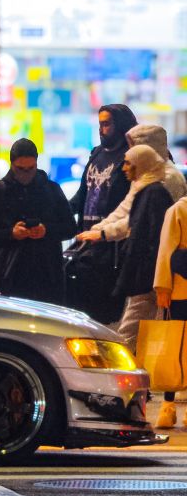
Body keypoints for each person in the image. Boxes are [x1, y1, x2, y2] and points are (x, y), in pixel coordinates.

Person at [0, 139, 77, 305]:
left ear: (36, 164)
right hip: (11, 277)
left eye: (30, 169)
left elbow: (70, 228)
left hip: (49, 276)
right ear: (12, 164)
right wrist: (10, 234)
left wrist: (45, 230)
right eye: (20, 169)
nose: (25, 174)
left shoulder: (51, 190)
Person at [75, 123, 186, 245]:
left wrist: (104, 233)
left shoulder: (168, 177)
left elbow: (138, 218)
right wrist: (98, 229)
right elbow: (125, 209)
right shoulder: (144, 175)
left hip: (159, 245)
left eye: (134, 146)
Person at [110, 145, 175, 351]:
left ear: (143, 165)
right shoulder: (145, 191)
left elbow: (152, 240)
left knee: (127, 333)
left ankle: (122, 378)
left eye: (129, 163)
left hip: (146, 280)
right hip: (144, 277)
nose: (124, 168)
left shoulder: (153, 194)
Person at [70, 104, 138, 231]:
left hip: (115, 237)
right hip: (88, 234)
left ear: (121, 126)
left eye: (106, 124)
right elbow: (83, 194)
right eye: (100, 124)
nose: (100, 130)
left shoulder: (132, 156)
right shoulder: (96, 153)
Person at [154, 193, 187, 427]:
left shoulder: (178, 210)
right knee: (176, 347)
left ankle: (168, 408)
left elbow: (166, 250)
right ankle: (168, 407)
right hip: (179, 289)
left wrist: (163, 286)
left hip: (180, 288)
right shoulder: (178, 210)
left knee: (174, 348)